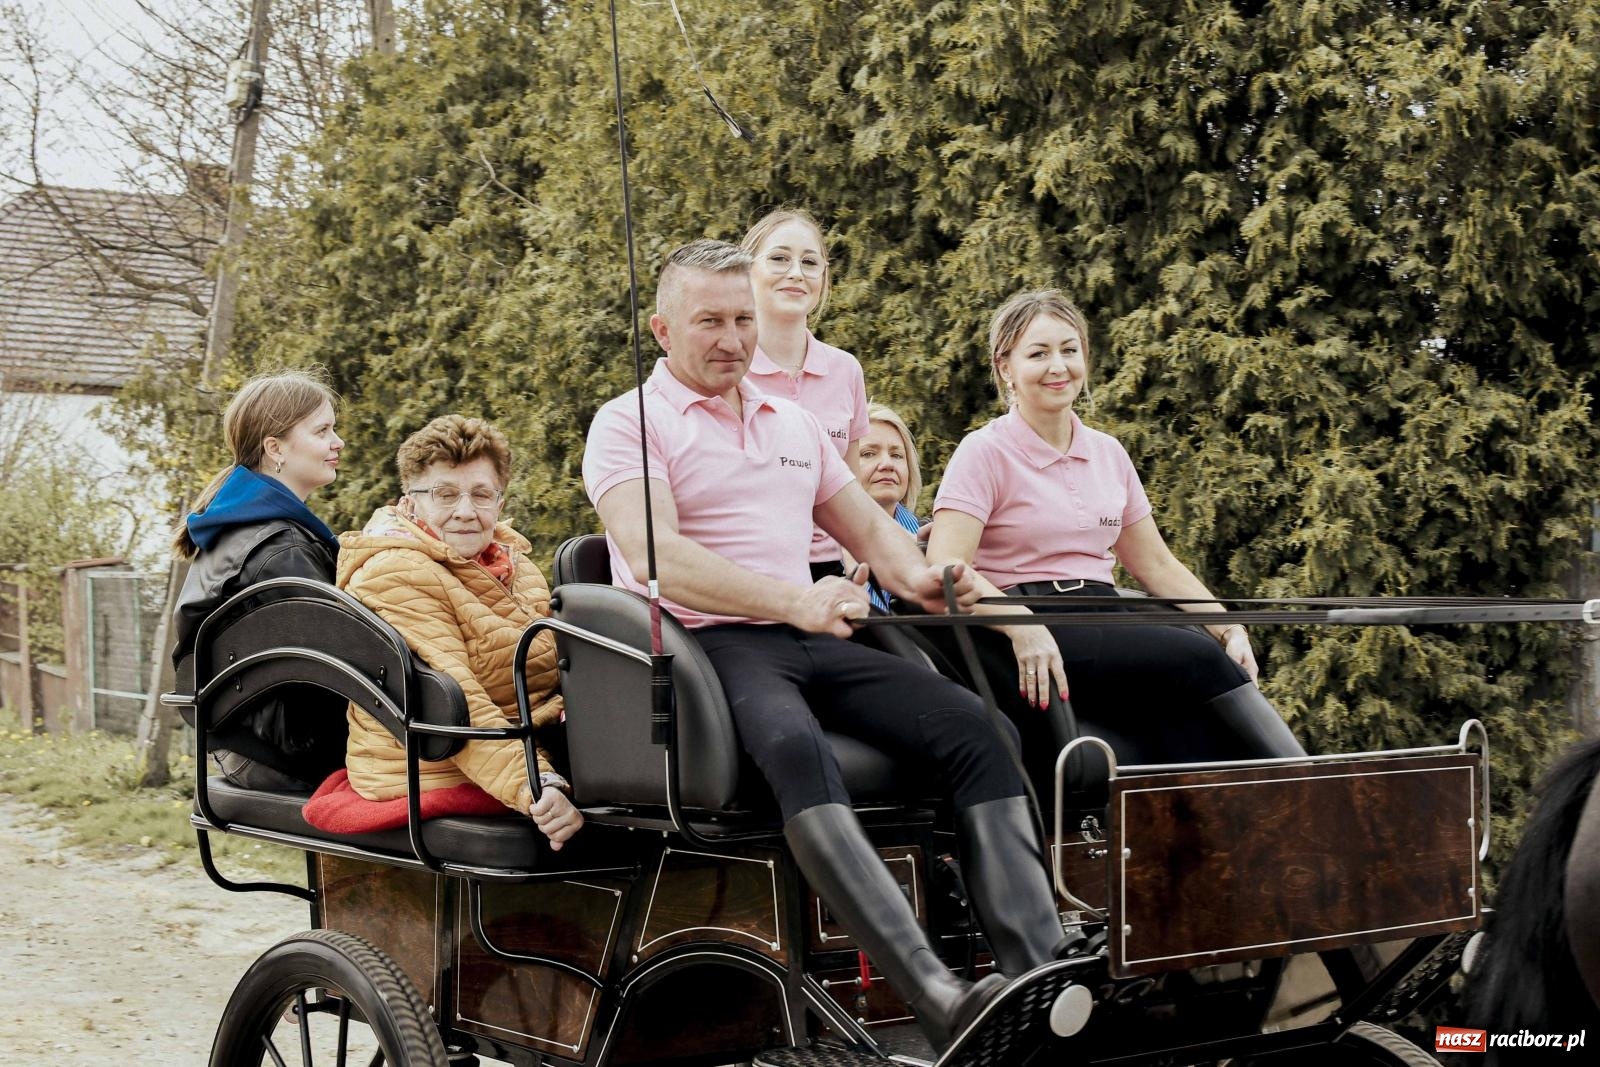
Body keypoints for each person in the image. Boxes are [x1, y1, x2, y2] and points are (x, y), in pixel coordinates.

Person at [582, 240, 1072, 1050]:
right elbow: (655, 556)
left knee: (977, 727)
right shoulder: (630, 422)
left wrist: (935, 579)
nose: (733, 339)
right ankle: (940, 997)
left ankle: (1040, 977)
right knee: (795, 747)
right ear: (663, 329)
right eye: (709, 321)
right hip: (706, 652)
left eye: (743, 320)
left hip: (808, 634)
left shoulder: (794, 423)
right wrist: (793, 600)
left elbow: (879, 538)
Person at [925, 289, 1304, 765]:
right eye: (1038, 354)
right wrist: (1021, 624)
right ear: (1005, 368)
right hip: (1031, 618)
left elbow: (1157, 564)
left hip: (1104, 610)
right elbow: (945, 565)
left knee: (1189, 716)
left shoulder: (1108, 452)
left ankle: (1231, 811)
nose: (1058, 366)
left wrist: (1228, 627)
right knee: (1197, 658)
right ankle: (1310, 786)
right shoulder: (984, 451)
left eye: (1069, 350)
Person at [331, 415, 581, 850]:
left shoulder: (515, 566)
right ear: (410, 503)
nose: (466, 511)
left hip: (522, 747)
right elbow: (452, 704)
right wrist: (538, 784)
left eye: (481, 495)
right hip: (431, 766)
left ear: (499, 503)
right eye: (444, 494)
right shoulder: (395, 572)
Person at [172, 369, 348, 791]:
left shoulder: (234, 525)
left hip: (248, 746)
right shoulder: (283, 548)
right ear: (275, 448)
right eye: (322, 431)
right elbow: (347, 662)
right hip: (293, 756)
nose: (338, 442)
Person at [740, 208, 869, 580]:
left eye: (810, 262)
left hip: (832, 573)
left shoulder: (846, 370)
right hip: (751, 573)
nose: (796, 272)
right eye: (780, 258)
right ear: (747, 270)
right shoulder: (726, 370)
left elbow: (852, 490)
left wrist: (860, 564)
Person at [852, 403, 924, 612]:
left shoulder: (932, 543)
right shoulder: (819, 550)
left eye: (897, 455)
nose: (887, 464)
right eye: (868, 454)